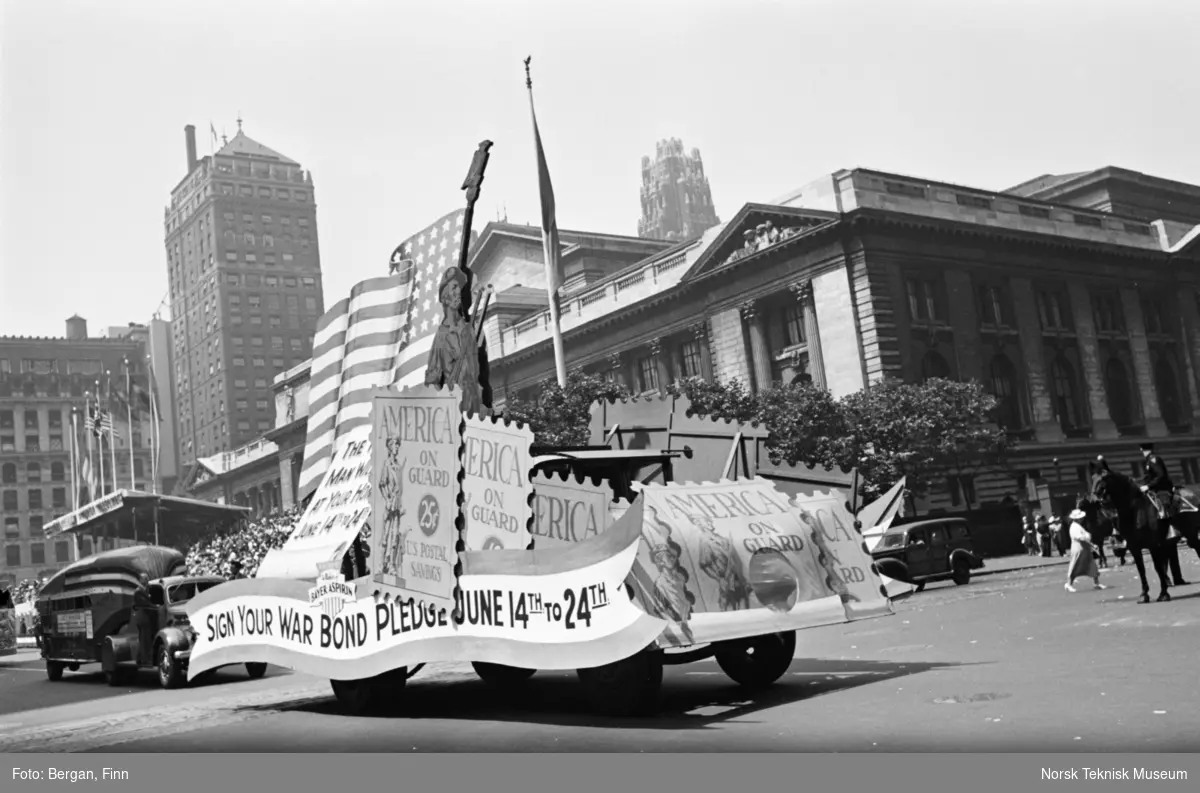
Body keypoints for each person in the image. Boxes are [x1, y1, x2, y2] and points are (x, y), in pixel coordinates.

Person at [1065, 503, 1105, 592]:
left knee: (1092, 565)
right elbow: (1082, 539)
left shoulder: (1078, 526)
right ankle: (1069, 584)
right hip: (1078, 549)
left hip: (1085, 549)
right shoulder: (1074, 527)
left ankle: (1096, 583)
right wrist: (1092, 545)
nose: (1082, 519)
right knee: (1075, 566)